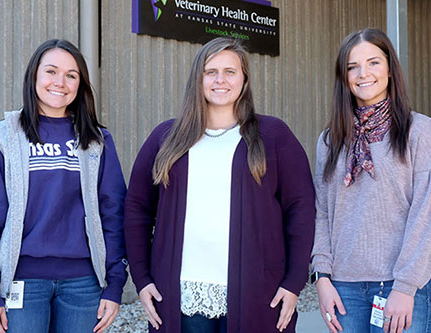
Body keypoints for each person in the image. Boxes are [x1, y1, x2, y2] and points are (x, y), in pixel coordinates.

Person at [124, 37, 315, 333]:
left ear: (244, 79)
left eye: (230, 71)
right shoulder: (166, 137)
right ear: (197, 78)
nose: (220, 80)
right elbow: (136, 208)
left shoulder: (273, 135)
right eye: (210, 71)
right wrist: (142, 278)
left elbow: (301, 211)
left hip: (257, 293)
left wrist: (294, 282)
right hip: (182, 296)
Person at [0, 39, 128, 333]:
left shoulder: (96, 140)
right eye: (51, 71)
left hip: (84, 284)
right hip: (22, 281)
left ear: (80, 84)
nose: (60, 82)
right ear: (35, 76)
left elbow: (114, 214)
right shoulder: (3, 137)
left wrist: (115, 283)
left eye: (71, 75)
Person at [311, 28, 431, 333]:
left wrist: (405, 286)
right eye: (352, 66)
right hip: (344, 288)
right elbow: (321, 212)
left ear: (390, 68)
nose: (364, 73)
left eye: (373, 62)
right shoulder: (329, 140)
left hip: (402, 286)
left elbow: (428, 215)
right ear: (343, 76)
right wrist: (322, 276)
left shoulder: (420, 131)